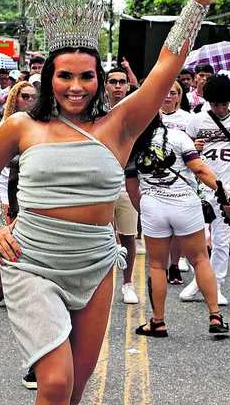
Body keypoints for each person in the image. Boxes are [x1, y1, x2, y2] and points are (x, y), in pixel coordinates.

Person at [0, 0, 230, 403]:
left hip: (95, 262)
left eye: (86, 76)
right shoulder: (21, 126)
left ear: (99, 78)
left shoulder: (121, 125)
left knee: (76, 387)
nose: (75, 86)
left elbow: (166, 66)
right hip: (32, 257)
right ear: (48, 77)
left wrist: (200, 2)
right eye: (64, 76)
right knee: (55, 382)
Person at [126, 115, 229, 337]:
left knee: (156, 265)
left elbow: (132, 188)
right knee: (200, 259)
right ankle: (215, 316)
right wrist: (221, 190)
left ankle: (158, 322)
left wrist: (143, 210)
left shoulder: (132, 144)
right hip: (185, 203)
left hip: (153, 205)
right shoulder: (178, 136)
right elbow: (199, 169)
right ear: (160, 116)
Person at [183, 73, 230, 304]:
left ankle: (216, 286)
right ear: (207, 101)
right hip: (202, 188)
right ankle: (200, 280)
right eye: (216, 104)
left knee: (223, 239)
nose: (221, 109)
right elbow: (183, 149)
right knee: (200, 238)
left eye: (225, 104)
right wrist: (192, 146)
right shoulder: (196, 120)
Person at [0, 81, 38, 311]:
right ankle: (2, 288)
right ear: (14, 98)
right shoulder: (2, 127)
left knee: (29, 243)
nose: (29, 101)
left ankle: (25, 291)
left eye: (33, 97)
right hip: (3, 188)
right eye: (25, 96)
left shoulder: (41, 125)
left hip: (28, 191)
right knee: (4, 240)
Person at [104, 66, 140, 302]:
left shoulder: (137, 111)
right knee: (101, 236)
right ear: (105, 85)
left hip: (127, 180)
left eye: (122, 82)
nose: (117, 86)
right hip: (100, 182)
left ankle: (127, 284)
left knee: (128, 235)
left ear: (128, 85)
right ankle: (100, 284)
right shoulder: (95, 112)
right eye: (113, 81)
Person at [159, 79, 191, 279]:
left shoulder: (188, 119)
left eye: (173, 93)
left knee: (177, 224)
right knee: (161, 224)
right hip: (155, 175)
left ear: (179, 97)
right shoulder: (150, 116)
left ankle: (174, 265)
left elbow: (196, 143)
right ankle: (159, 265)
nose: (168, 96)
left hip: (181, 175)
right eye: (165, 92)